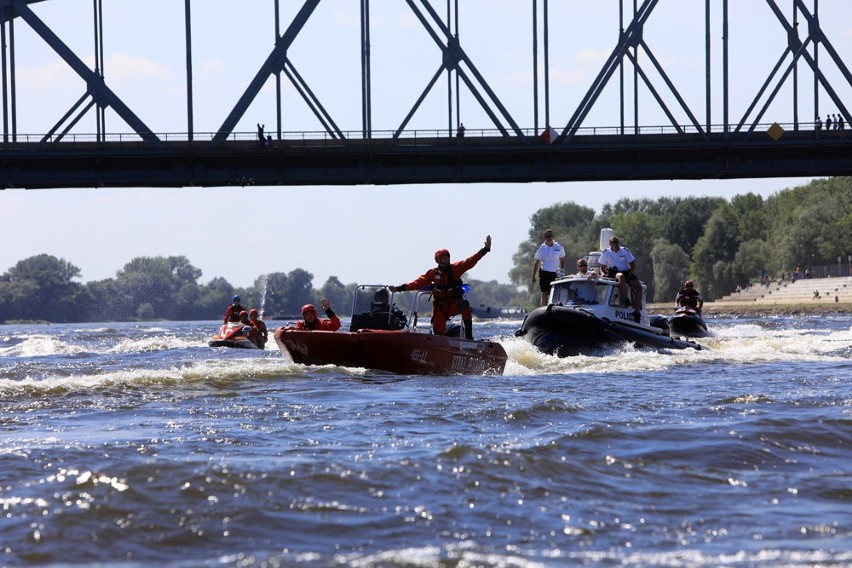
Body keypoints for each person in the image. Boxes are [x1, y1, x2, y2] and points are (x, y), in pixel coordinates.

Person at [389, 235, 491, 339]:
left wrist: (485, 250)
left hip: (453, 303)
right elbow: (417, 283)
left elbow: (471, 261)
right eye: (444, 257)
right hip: (440, 307)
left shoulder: (456, 268)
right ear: (438, 260)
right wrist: (398, 288)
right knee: (438, 332)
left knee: (465, 306)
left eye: (447, 257)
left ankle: (469, 337)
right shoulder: (433, 273)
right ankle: (439, 344)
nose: (446, 259)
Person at [598, 235, 643, 321]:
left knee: (639, 287)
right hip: (614, 272)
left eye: (616, 242)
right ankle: (625, 299)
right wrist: (603, 273)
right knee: (621, 277)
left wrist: (629, 276)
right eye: (613, 242)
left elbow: (632, 265)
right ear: (609, 244)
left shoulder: (625, 251)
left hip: (627, 272)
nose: (615, 244)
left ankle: (637, 312)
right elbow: (602, 267)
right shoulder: (606, 252)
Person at [531, 229, 567, 306]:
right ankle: (543, 310)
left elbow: (562, 260)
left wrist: (562, 272)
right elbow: (537, 262)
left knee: (554, 294)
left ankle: (553, 310)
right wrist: (533, 276)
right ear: (544, 237)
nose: (549, 238)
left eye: (550, 236)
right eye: (547, 236)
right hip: (544, 273)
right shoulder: (542, 248)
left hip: (555, 273)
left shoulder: (559, 247)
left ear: (553, 236)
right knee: (544, 293)